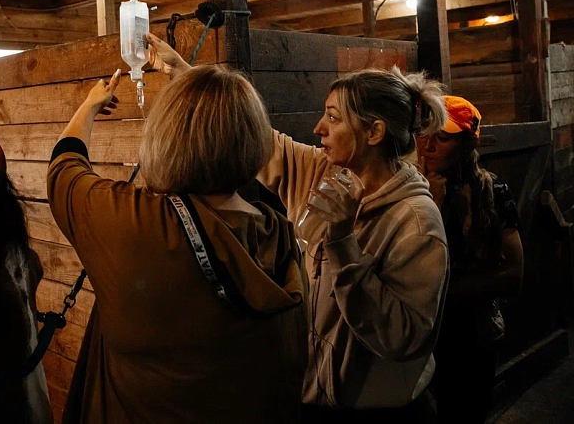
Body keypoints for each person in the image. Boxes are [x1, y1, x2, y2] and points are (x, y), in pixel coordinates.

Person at [145, 33, 449, 424]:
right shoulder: (322, 173)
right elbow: (251, 136)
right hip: (308, 401)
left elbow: (403, 337)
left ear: (373, 133)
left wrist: (343, 244)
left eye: (334, 118)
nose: (318, 127)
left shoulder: (417, 221)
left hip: (380, 413)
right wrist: (183, 73)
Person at [47, 64, 309, 423]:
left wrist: (89, 107)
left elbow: (64, 169)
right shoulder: (280, 236)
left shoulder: (134, 223)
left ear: (164, 138)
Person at [417, 96, 524, 424]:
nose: (429, 145)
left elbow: (514, 274)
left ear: (467, 144)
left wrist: (442, 292)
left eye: (443, 137)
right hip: (418, 338)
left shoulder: (490, 191)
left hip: (471, 336)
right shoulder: (408, 193)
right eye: (424, 133)